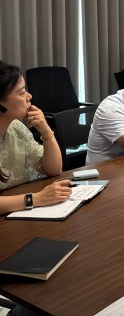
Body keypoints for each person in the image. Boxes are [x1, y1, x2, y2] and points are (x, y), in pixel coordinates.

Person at [0, 61, 71, 215]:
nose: (29, 96)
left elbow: (53, 169)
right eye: (21, 93)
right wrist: (36, 199)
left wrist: (45, 130)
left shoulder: (16, 127)